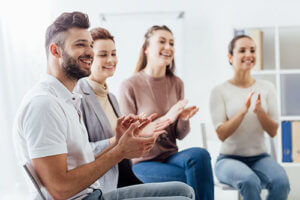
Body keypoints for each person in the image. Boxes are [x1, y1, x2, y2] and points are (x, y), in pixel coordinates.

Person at [13, 12, 195, 200]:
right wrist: (119, 151)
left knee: (184, 191)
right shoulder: (44, 104)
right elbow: (59, 189)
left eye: (90, 45)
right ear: (55, 51)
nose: (90, 52)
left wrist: (119, 140)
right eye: (80, 44)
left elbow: (84, 162)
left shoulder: (69, 100)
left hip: (93, 193)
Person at [119, 25, 214, 200]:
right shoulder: (130, 85)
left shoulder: (176, 83)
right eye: (162, 42)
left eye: (172, 43)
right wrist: (169, 117)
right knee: (195, 178)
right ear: (146, 48)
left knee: (201, 155)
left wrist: (183, 119)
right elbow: (128, 136)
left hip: (170, 156)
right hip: (143, 162)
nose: (168, 47)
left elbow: (179, 134)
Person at [74, 27, 170, 192]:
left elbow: (122, 149)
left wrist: (136, 135)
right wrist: (118, 141)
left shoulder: (111, 97)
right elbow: (81, 153)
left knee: (185, 191)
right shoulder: (77, 96)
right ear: (88, 58)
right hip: (102, 184)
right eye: (103, 55)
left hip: (124, 176)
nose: (111, 60)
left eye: (113, 53)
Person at [209, 34, 290, 200]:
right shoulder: (219, 91)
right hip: (228, 160)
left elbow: (273, 131)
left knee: (281, 183)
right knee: (249, 181)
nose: (249, 54)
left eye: (252, 50)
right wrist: (243, 111)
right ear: (230, 57)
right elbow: (221, 134)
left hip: (260, 158)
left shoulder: (267, 88)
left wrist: (260, 111)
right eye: (242, 50)